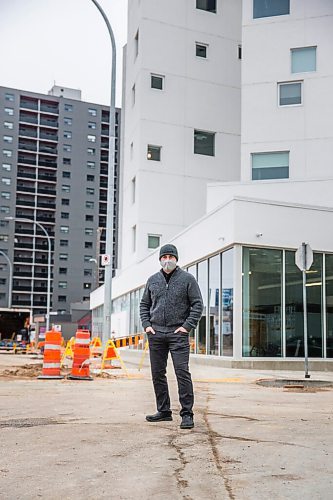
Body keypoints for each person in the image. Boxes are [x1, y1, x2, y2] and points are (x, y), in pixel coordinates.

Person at [140, 244, 203, 429]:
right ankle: (164, 411)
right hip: (156, 334)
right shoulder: (152, 280)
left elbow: (198, 305)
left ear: (176, 259)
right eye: (164, 256)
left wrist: (186, 326)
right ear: (160, 259)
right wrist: (147, 326)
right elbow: (144, 305)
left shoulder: (187, 279)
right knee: (157, 374)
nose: (167, 260)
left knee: (182, 373)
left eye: (171, 256)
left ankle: (187, 414)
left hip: (178, 334)